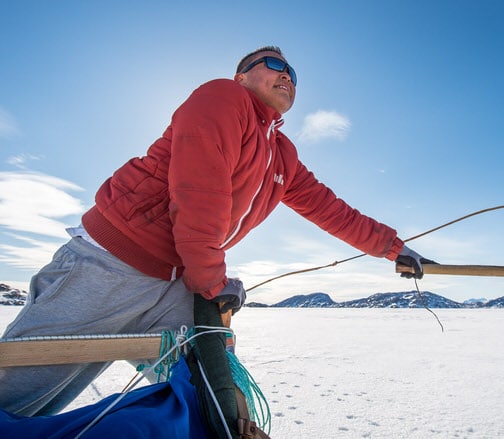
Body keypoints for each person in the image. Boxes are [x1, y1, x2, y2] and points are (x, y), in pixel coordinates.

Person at [0, 46, 430, 416]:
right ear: (242, 76)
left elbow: (329, 208)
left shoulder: (282, 154)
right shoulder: (222, 98)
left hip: (177, 281)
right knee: (17, 393)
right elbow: (198, 189)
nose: (287, 77)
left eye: (294, 75)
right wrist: (211, 280)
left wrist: (394, 249)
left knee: (217, 396)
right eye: (273, 65)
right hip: (110, 266)